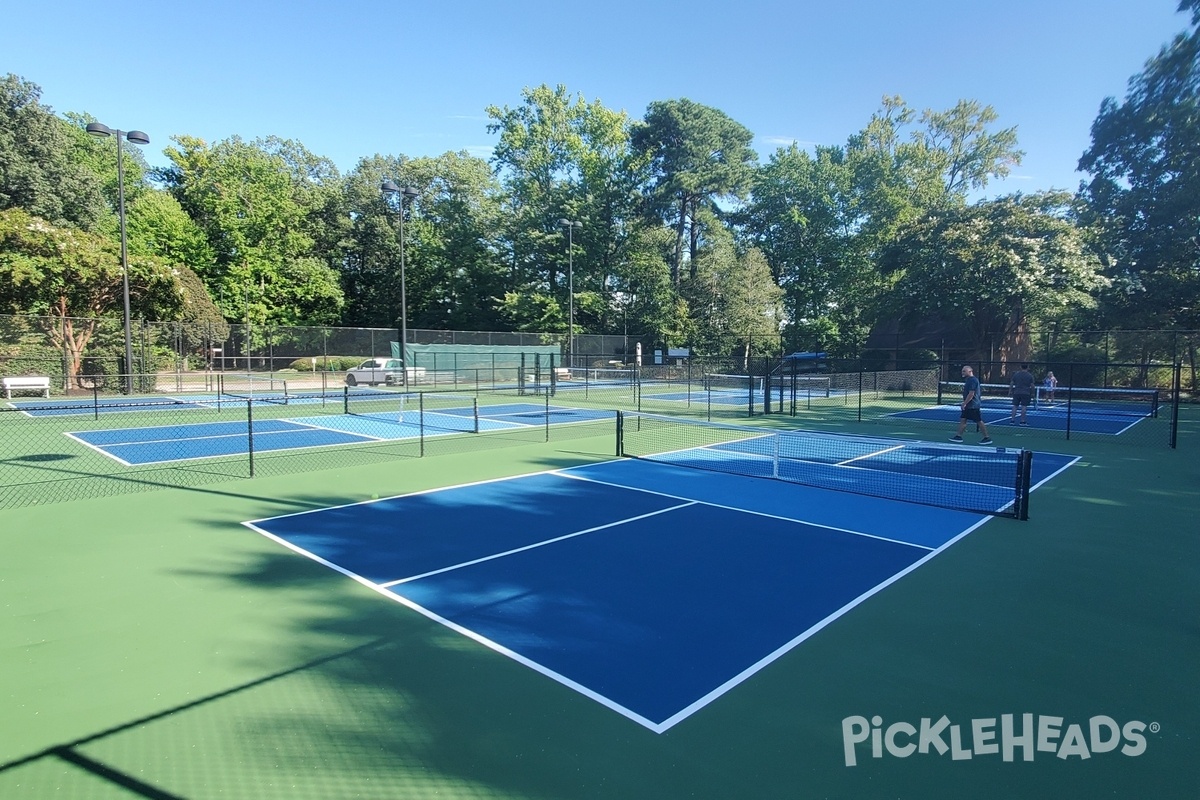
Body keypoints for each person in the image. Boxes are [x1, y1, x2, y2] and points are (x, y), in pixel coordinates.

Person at [950, 365, 992, 444]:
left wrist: (964, 403)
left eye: (964, 371)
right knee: (963, 419)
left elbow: (971, 393)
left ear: (970, 371)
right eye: (962, 371)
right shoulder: (969, 380)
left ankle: (987, 437)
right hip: (969, 405)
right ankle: (958, 436)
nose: (962, 372)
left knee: (978, 421)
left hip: (973, 405)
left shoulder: (972, 380)